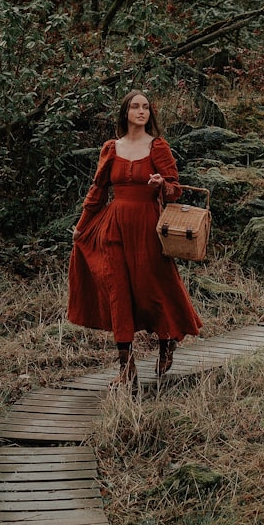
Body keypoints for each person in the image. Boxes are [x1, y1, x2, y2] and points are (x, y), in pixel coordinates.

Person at [67, 89, 202, 387]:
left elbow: (175, 189)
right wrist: (82, 225)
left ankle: (167, 340)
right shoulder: (111, 148)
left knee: (153, 286)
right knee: (118, 291)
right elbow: (97, 191)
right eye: (135, 107)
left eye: (145, 107)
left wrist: (160, 184)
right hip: (113, 226)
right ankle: (126, 368)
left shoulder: (158, 147)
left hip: (147, 227)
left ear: (150, 114)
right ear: (125, 112)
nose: (141, 111)